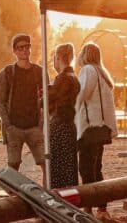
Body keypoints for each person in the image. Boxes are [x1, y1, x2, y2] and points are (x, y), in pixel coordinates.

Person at [75, 42, 118, 220]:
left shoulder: (88, 71)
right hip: (101, 127)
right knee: (96, 167)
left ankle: (88, 207)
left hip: (90, 127)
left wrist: (71, 112)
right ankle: (102, 207)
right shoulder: (102, 73)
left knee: (86, 168)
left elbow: (81, 95)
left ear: (85, 54)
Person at [0, 33, 46, 178]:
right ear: (14, 51)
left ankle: (47, 191)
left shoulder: (40, 72)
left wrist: (41, 124)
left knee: (46, 165)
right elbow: (0, 102)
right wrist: (8, 126)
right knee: (13, 167)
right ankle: (12, 193)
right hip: (14, 128)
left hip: (35, 127)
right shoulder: (6, 73)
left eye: (27, 47)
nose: (24, 50)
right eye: (20, 48)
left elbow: (47, 100)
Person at [47, 43, 80, 189]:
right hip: (70, 125)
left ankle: (60, 196)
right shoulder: (73, 77)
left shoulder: (63, 78)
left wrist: (42, 99)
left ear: (58, 58)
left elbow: (55, 100)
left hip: (60, 126)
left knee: (58, 168)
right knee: (69, 167)